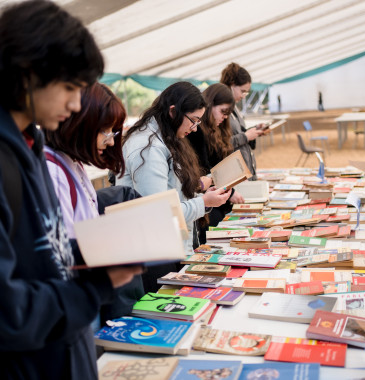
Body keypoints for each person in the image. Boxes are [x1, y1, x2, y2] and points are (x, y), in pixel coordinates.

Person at [0, 1, 142, 379]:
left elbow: (50, 249)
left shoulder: (30, 144)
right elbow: (8, 313)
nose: (76, 104)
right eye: (69, 87)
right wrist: (97, 285)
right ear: (27, 72)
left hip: (66, 353)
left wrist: (107, 254)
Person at [44, 82, 144, 324]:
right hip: (78, 300)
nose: (110, 142)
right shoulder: (53, 171)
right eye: (105, 131)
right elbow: (67, 254)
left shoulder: (72, 164)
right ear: (79, 124)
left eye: (113, 133)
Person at [116, 81, 231, 290]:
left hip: (164, 246)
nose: (195, 129)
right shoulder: (148, 148)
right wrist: (203, 203)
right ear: (172, 111)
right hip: (153, 253)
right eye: (193, 121)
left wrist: (199, 195)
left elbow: (171, 192)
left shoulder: (163, 137)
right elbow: (159, 211)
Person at [188, 83, 245, 241]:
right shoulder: (196, 132)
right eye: (222, 111)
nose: (224, 117)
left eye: (228, 113)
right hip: (206, 201)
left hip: (216, 197)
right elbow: (205, 168)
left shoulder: (217, 129)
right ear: (210, 105)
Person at [220, 62, 266, 180]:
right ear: (232, 85)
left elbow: (238, 132)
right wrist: (245, 136)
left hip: (245, 169)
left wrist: (254, 130)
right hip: (234, 173)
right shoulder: (220, 111)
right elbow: (220, 144)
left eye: (246, 92)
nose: (244, 95)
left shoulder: (234, 107)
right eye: (242, 91)